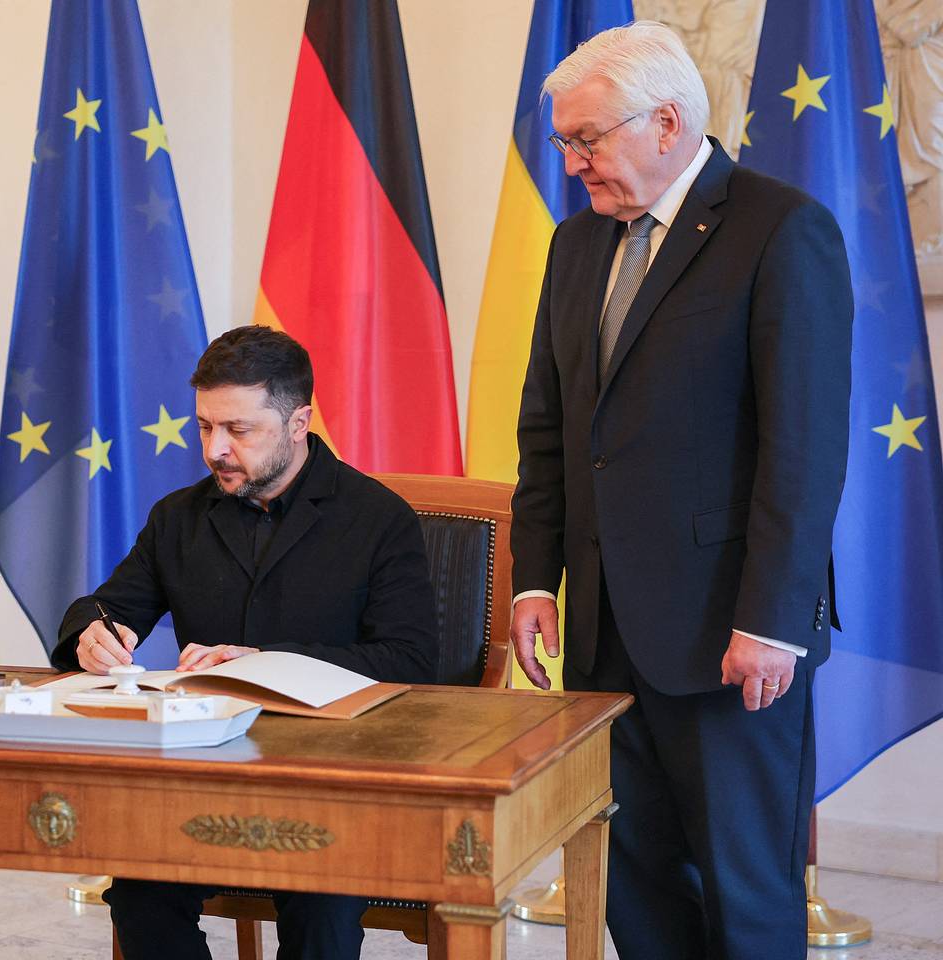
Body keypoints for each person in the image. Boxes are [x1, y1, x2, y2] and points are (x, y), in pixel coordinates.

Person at [508, 21, 852, 960]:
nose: (572, 163)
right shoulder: (576, 245)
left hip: (727, 634)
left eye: (587, 139)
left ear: (665, 122)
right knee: (639, 887)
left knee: (745, 894)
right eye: (565, 141)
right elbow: (550, 428)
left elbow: (803, 450)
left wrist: (772, 621)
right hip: (603, 632)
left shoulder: (779, 230)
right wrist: (535, 578)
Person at [51, 324, 438, 960]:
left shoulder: (378, 518)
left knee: (320, 912)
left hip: (337, 783)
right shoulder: (178, 517)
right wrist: (93, 634)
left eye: (238, 429)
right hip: (204, 776)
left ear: (299, 422)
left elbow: (413, 661)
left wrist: (274, 665)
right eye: (205, 426)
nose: (215, 449)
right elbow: (105, 608)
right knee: (139, 892)